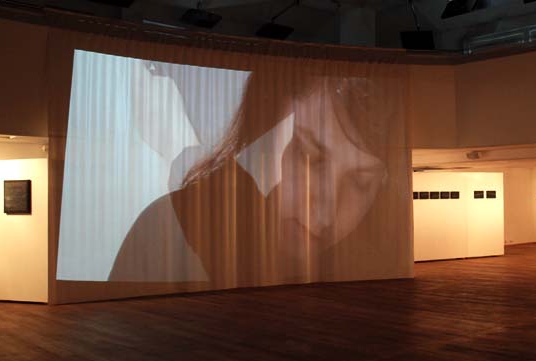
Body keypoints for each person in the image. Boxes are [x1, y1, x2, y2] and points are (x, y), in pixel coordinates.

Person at [108, 58, 391, 287]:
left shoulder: (371, 268)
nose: (324, 215)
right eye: (308, 155)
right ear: (263, 129)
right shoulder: (166, 237)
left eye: (360, 182)